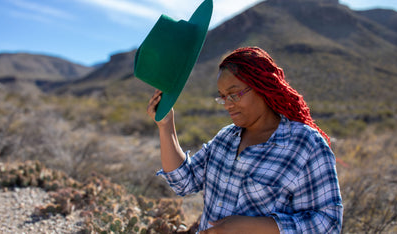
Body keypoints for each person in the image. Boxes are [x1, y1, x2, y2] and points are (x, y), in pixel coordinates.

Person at [147, 46, 343, 233]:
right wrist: (165, 125)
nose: (227, 105)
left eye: (234, 94)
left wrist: (253, 228)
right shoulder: (226, 138)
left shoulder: (306, 144)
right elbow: (184, 181)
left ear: (262, 87)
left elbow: (329, 223)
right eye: (222, 97)